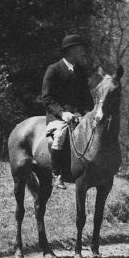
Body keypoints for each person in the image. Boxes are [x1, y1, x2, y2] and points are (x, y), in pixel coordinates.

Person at [41, 34, 95, 188]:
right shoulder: (53, 70)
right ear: (70, 50)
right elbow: (46, 98)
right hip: (57, 116)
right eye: (79, 48)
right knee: (58, 136)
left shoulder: (81, 71)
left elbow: (86, 97)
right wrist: (63, 113)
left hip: (78, 115)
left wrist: (90, 112)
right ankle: (57, 174)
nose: (82, 51)